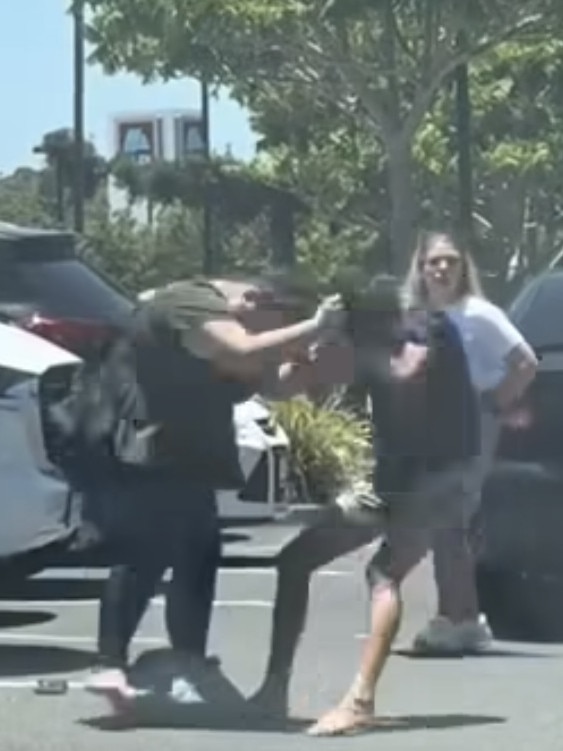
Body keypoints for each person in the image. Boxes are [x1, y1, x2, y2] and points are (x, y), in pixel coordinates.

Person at [83, 275, 343, 706]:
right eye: (273, 325)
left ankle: (189, 662)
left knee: (198, 557)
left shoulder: (238, 325)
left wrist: (309, 363)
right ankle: (108, 663)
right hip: (152, 446)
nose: (268, 337)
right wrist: (316, 324)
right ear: (255, 299)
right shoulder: (193, 303)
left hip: (192, 456)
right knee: (145, 554)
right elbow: (240, 349)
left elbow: (273, 384)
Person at [251, 274, 482, 735]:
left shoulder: (422, 322)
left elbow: (410, 370)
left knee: (383, 573)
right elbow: (312, 389)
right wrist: (309, 354)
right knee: (295, 560)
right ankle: (273, 689)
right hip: (391, 479)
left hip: (440, 478)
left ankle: (360, 702)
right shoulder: (371, 337)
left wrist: (356, 353)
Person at [403, 231, 538, 655]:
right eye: (434, 262)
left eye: (451, 261)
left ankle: (453, 619)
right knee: (450, 523)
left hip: (471, 427)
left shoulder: (479, 313)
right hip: (434, 428)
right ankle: (466, 618)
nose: (442, 269)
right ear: (421, 269)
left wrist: (493, 403)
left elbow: (525, 361)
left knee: (450, 519)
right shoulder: (420, 317)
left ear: (464, 269)